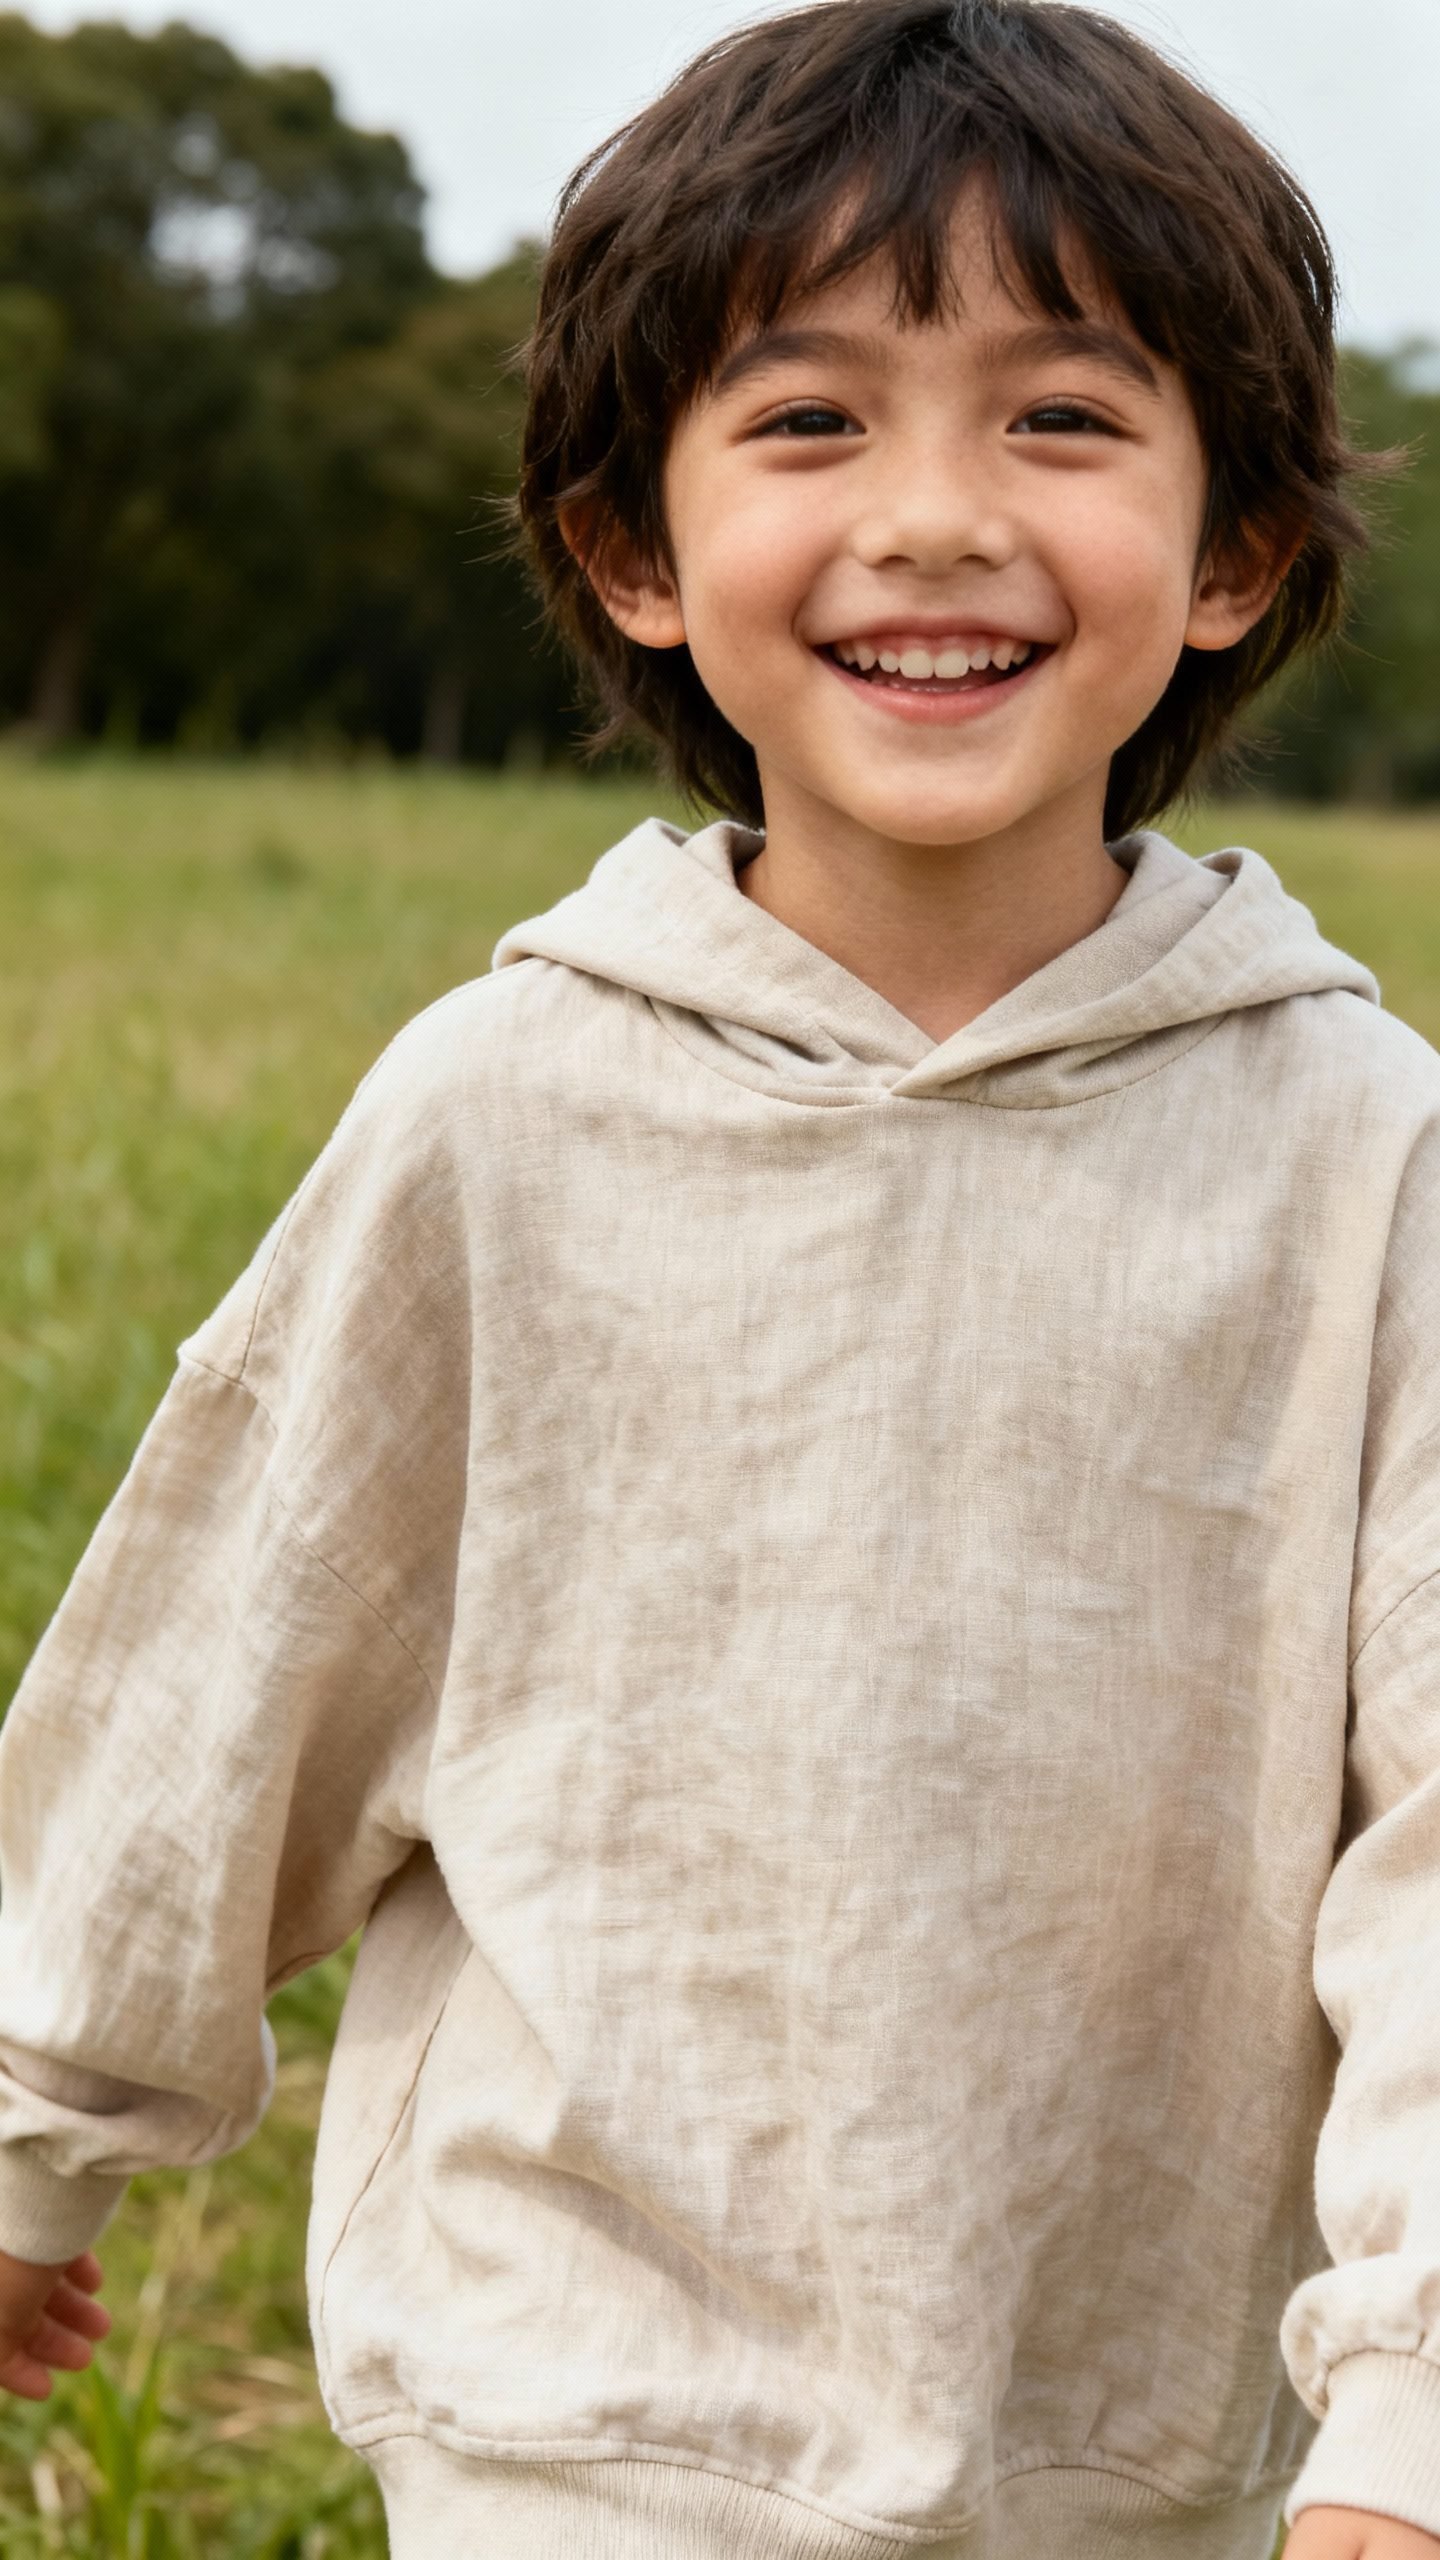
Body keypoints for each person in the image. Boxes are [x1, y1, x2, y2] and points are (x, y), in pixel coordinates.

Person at [0, 1, 1437, 2552]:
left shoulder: (1362, 1147)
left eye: (1062, 416)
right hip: (572, 2429)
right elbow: (237, 1651)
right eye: (810, 421)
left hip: (1144, 2452)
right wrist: (30, 2141)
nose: (934, 516)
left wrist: (1410, 2405)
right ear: (632, 553)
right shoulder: (501, 1104)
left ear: (1235, 550)